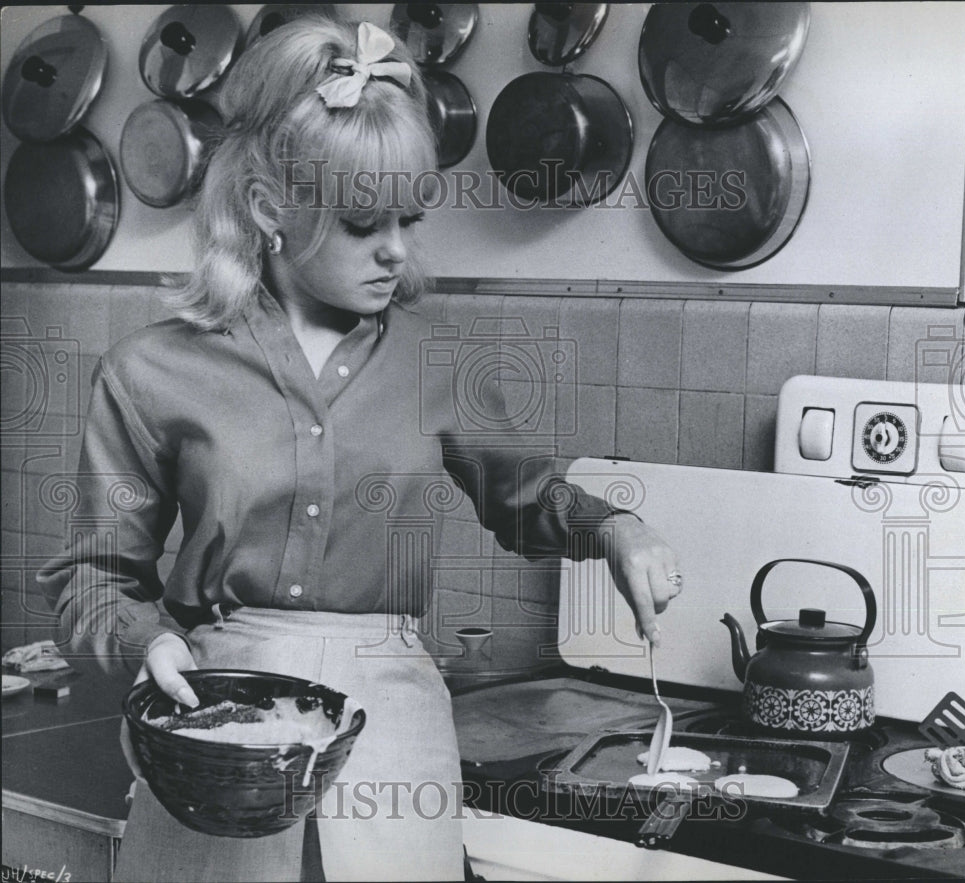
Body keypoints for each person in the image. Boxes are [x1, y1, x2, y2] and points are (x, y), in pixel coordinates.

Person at [38, 14, 681, 883]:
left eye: (409, 218)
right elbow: (93, 576)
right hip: (216, 735)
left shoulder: (434, 364)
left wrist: (615, 527)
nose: (396, 250)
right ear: (270, 210)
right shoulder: (151, 370)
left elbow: (528, 496)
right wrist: (151, 645)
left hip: (392, 737)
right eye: (362, 222)